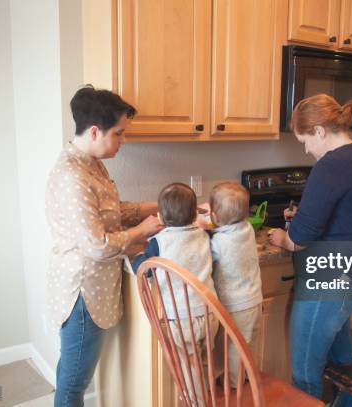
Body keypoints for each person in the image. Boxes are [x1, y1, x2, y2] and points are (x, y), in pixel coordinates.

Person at [46, 85, 163, 407]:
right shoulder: (73, 175)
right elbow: (96, 244)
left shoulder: (91, 163)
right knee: (73, 385)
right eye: (119, 133)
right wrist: (142, 230)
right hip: (83, 292)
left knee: (71, 373)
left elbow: (111, 211)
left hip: (93, 286)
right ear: (95, 131)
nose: (123, 141)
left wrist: (157, 207)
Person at [268, 94, 352, 404]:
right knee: (342, 367)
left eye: (305, 140)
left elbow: (298, 240)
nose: (306, 148)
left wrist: (281, 236)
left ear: (319, 131)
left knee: (305, 373)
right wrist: (302, 216)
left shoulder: (331, 165)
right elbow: (336, 213)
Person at [132, 183, 218, 405]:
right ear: (194, 214)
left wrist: (139, 255)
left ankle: (194, 400)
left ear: (160, 216)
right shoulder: (203, 234)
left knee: (187, 365)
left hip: (180, 320)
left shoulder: (159, 243)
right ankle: (202, 392)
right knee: (200, 359)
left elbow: (142, 269)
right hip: (210, 315)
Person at [209, 181, 262, 388]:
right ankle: (246, 378)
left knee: (233, 349)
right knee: (247, 346)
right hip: (254, 301)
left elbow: (205, 251)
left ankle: (233, 387)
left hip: (236, 306)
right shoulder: (247, 229)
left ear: (214, 217)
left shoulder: (219, 243)